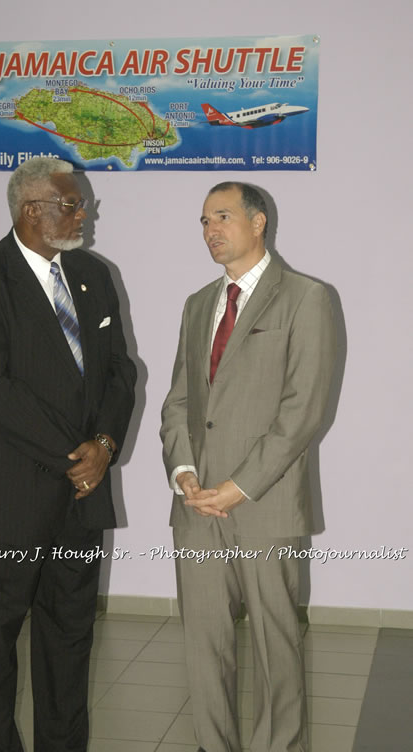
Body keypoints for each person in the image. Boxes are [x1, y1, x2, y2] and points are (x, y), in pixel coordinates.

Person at [0, 156, 136, 752]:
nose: (85, 212)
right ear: (32, 209)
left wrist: (103, 446)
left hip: (81, 500)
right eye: (73, 203)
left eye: (81, 203)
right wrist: (72, 454)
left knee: (69, 643)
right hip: (9, 501)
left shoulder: (93, 275)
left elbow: (120, 371)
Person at [160, 182, 336, 752]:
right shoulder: (196, 305)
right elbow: (179, 402)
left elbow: (303, 411)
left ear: (258, 223)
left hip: (266, 505)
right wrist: (183, 469)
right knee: (204, 652)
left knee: (275, 650)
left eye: (223, 216)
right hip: (196, 508)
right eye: (204, 221)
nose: (211, 229)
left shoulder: (306, 298)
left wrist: (240, 487)